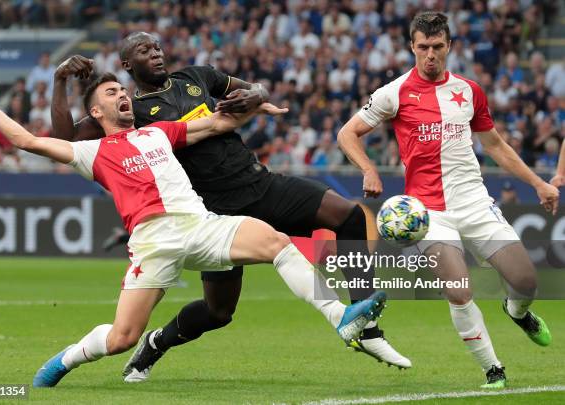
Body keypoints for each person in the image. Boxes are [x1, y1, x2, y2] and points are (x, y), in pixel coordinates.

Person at [0, 78, 387, 388]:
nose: (123, 96)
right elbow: (26, 140)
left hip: (200, 224)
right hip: (153, 242)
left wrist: (256, 102)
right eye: (111, 93)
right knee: (120, 338)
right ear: (96, 112)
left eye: (123, 90)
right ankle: (65, 360)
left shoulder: (157, 133)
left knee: (277, 243)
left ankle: (341, 318)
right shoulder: (88, 152)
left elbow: (217, 125)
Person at [50, 32, 411, 380]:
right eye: (144, 50)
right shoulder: (131, 113)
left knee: (347, 217)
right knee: (218, 312)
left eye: (157, 47)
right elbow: (66, 140)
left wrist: (251, 96)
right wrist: (60, 81)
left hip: (259, 183)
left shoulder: (197, 76)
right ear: (128, 63)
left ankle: (367, 329)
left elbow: (257, 90)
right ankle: (156, 342)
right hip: (214, 213)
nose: (156, 52)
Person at [337, 11, 559, 389]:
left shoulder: (469, 91)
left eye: (437, 47)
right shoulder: (394, 93)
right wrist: (369, 170)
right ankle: (493, 370)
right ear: (412, 47)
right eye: (423, 47)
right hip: (428, 213)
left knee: (525, 281)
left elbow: (495, 146)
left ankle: (517, 311)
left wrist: (538, 183)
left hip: (474, 202)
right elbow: (347, 134)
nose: (430, 55)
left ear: (449, 46)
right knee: (459, 289)